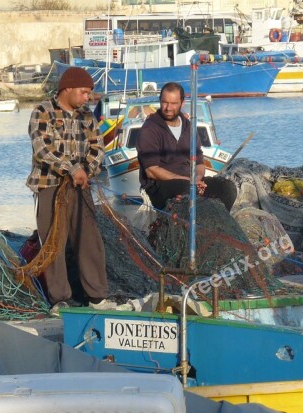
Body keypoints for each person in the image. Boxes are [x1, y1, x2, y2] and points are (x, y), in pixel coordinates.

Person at [26, 66, 116, 316]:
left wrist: (86, 170)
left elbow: (98, 148)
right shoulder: (42, 112)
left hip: (81, 187)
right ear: (68, 89)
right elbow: (43, 149)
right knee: (54, 243)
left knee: (89, 241)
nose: (88, 98)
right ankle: (60, 300)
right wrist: (72, 169)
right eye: (84, 92)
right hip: (49, 187)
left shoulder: (87, 116)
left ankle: (97, 296)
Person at [136, 81, 237, 211]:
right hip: (158, 187)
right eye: (164, 102)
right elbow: (151, 171)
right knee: (187, 190)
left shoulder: (188, 126)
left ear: (182, 103)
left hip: (189, 182)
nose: (168, 108)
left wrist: (198, 178)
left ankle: (214, 225)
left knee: (226, 188)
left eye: (173, 103)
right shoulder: (149, 129)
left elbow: (199, 161)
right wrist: (188, 181)